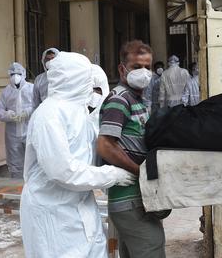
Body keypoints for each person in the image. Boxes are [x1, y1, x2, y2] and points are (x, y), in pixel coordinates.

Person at [20, 52, 136, 258]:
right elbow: (63, 171)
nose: (90, 85)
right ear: (74, 79)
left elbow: (90, 154)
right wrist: (111, 176)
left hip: (80, 207)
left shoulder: (79, 112)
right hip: (52, 213)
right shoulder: (49, 115)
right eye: (87, 79)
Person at [97, 40, 166, 258]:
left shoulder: (138, 100)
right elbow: (106, 145)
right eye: (137, 67)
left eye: (148, 66)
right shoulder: (120, 100)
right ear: (122, 69)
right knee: (152, 246)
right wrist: (140, 172)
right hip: (128, 197)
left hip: (136, 196)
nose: (144, 73)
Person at [0, 62, 34, 179]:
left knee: (33, 163)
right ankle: (17, 192)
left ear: (24, 74)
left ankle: (33, 193)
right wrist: (9, 115)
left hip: (30, 132)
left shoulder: (32, 89)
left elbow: (38, 106)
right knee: (15, 166)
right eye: (12, 74)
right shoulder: (5, 92)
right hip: (13, 135)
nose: (15, 76)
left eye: (18, 74)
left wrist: (27, 112)